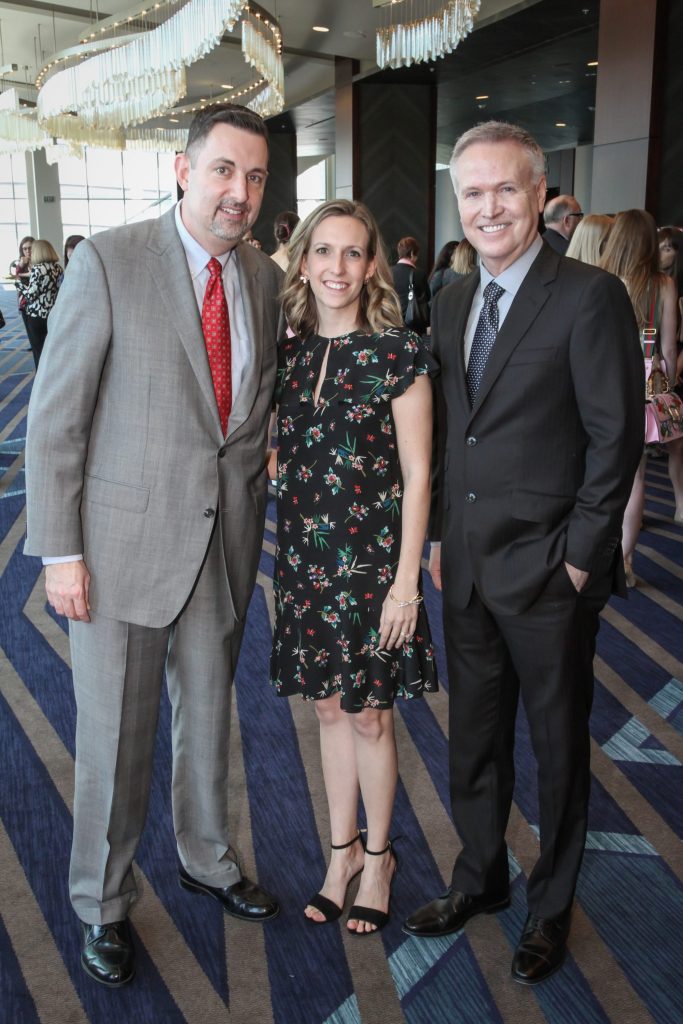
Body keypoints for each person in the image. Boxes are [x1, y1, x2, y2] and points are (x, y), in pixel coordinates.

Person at [24, 103, 283, 989]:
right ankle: (101, 901)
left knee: (211, 721)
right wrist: (61, 552)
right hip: (119, 550)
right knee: (116, 737)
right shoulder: (109, 261)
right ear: (182, 169)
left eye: (254, 177)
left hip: (222, 546)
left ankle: (207, 858)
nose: (238, 192)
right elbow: (54, 421)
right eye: (222, 171)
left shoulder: (263, 279)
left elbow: (245, 417)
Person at [403, 121, 643, 985]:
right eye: (473, 193)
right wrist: (435, 541)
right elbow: (450, 436)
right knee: (472, 740)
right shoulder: (454, 296)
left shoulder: (588, 296)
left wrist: (579, 561)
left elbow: (613, 443)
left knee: (555, 748)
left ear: (539, 196)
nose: (489, 207)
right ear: (457, 203)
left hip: (548, 573)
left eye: (506, 189)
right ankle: (481, 879)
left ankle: (550, 908)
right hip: (464, 567)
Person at [270, 199, 438, 934]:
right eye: (322, 252)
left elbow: (419, 473)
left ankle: (378, 858)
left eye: (351, 254)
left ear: (372, 266)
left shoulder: (398, 353)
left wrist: (405, 584)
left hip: (373, 570)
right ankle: (338, 856)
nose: (336, 268)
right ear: (303, 261)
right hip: (305, 563)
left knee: (371, 717)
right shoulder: (292, 354)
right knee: (328, 710)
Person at [600, 211, 683, 553]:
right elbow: (666, 347)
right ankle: (626, 560)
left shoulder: (598, 277)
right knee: (635, 477)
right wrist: (671, 382)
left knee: (595, 472)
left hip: (599, 380)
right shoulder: (662, 284)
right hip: (640, 387)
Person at [17, 239, 62, 368]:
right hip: (53, 313)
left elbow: (31, 295)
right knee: (52, 349)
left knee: (39, 351)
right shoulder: (58, 268)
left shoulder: (38, 268)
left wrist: (19, 284)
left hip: (37, 315)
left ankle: (41, 381)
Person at [391, 236, 430, 328]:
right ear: (412, 253)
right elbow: (427, 297)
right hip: (412, 324)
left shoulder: (387, 272)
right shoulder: (419, 274)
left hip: (390, 322)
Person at [11, 235, 34, 336]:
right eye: (25, 249)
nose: (28, 251)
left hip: (36, 299)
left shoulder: (39, 261)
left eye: (30, 248)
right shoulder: (20, 263)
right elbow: (16, 280)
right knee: (28, 325)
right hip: (24, 299)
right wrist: (20, 266)